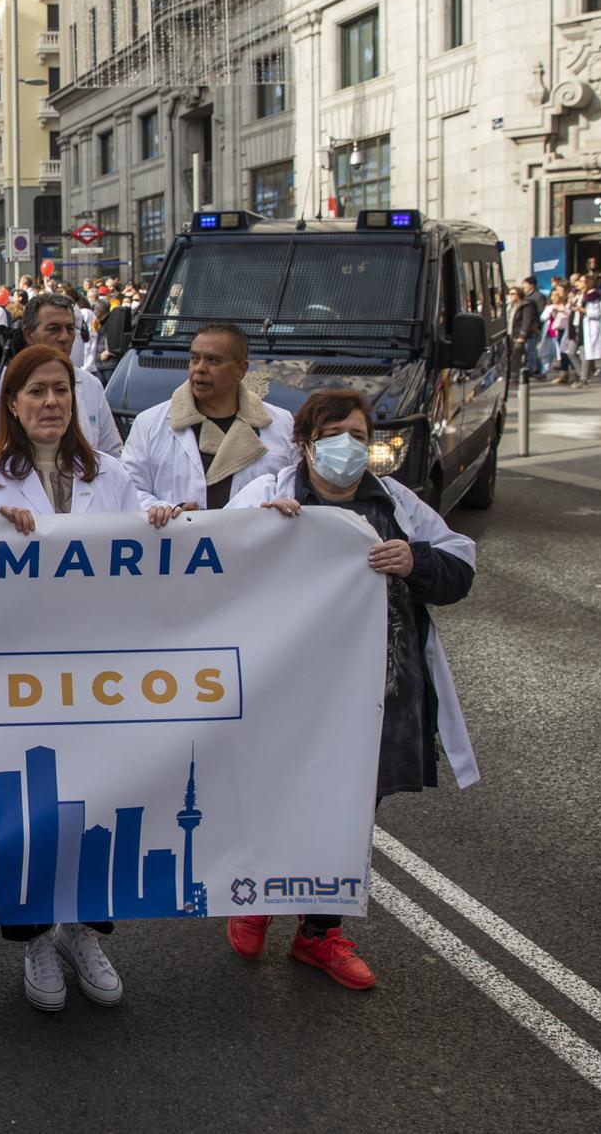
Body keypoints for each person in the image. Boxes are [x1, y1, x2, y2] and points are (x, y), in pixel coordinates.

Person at [0, 344, 177, 1013]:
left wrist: (160, 520)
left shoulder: (110, 474)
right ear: (10, 404)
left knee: (97, 800)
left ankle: (82, 930)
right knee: (31, 808)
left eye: (60, 392)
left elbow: (150, 543)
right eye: (36, 392)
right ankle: (37, 936)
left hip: (97, 673)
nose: (50, 403)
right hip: (16, 673)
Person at [227, 388, 478, 988]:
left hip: (378, 694)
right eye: (335, 434)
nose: (349, 447)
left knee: (352, 809)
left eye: (361, 437)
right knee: (281, 796)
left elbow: (460, 570)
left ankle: (320, 932)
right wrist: (258, 538)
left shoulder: (398, 504)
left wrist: (417, 561)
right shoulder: (267, 497)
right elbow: (212, 570)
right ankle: (259, 896)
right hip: (289, 692)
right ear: (306, 443)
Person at [123, 324, 294, 513]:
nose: (200, 369)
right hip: (177, 541)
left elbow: (295, 487)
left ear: (241, 369)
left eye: (213, 360)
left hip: (253, 540)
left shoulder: (281, 424)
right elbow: (127, 490)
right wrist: (169, 510)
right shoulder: (149, 423)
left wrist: (281, 504)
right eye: (195, 359)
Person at [0, 294, 122, 458]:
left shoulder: (91, 384)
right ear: (28, 335)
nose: (64, 337)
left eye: (69, 329)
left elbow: (111, 451)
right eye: (53, 329)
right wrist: (32, 447)